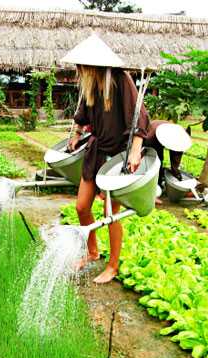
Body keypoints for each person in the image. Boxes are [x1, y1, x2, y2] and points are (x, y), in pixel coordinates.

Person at [62, 34, 149, 284]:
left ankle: (113, 265)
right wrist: (77, 134)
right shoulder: (90, 86)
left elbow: (139, 116)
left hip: (117, 154)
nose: (79, 70)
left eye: (82, 66)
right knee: (81, 207)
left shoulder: (120, 80)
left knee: (110, 211)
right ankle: (92, 251)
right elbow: (82, 117)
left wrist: (135, 150)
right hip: (96, 150)